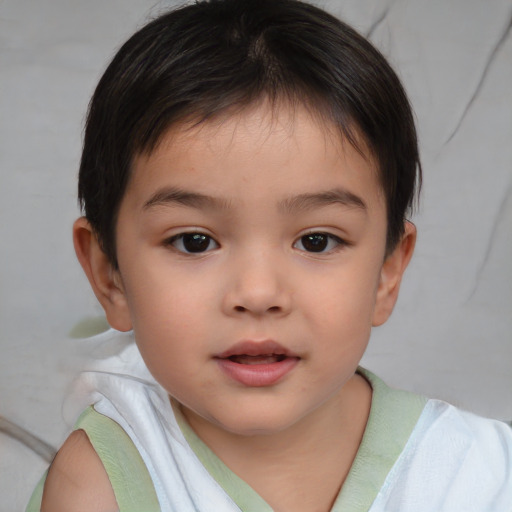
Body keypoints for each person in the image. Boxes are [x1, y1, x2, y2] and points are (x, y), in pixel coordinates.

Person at [27, 0, 512, 510]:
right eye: (195, 241)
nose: (258, 294)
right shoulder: (103, 485)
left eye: (316, 241)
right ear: (110, 275)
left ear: (387, 272)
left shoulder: (479, 475)